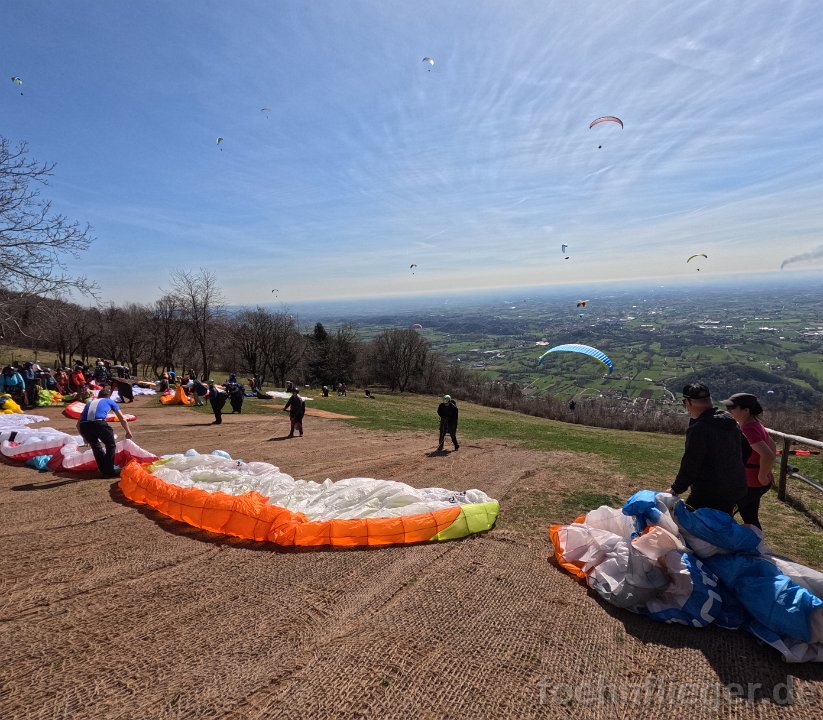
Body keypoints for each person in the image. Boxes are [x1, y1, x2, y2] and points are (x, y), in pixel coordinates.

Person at [669, 382, 750, 515]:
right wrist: (733, 470)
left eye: (684, 402)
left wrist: (676, 489)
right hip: (735, 487)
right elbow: (747, 450)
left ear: (689, 402)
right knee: (721, 521)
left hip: (710, 492)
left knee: (692, 521)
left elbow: (691, 464)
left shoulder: (699, 429)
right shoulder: (729, 420)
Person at [722, 392, 776, 530]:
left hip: (751, 482)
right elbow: (772, 445)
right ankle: (754, 539)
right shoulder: (755, 424)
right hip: (753, 482)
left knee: (733, 512)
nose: (729, 411)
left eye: (732, 408)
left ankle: (736, 538)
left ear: (746, 410)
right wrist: (767, 472)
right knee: (750, 516)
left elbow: (768, 455)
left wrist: (762, 476)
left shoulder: (748, 428)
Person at [76, 388, 133, 478]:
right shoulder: (110, 401)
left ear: (98, 396)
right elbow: (122, 418)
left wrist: (85, 439)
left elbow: (78, 424)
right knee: (110, 446)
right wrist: (128, 431)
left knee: (96, 447)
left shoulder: (89, 403)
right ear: (109, 396)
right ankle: (109, 470)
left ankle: (103, 469)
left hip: (84, 426)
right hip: (99, 424)